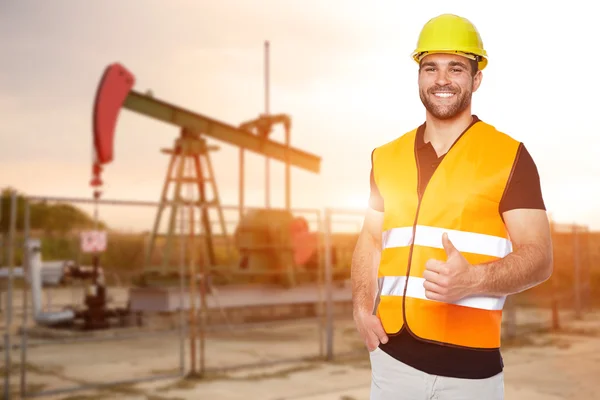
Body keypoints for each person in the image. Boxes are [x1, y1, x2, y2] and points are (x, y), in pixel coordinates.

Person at [351, 13, 554, 400]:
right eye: (431, 68)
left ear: (476, 79)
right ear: (419, 76)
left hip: (471, 374)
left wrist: (474, 280)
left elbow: (540, 257)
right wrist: (362, 308)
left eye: (456, 68)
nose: (442, 79)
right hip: (392, 363)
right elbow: (371, 240)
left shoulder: (509, 157)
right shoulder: (385, 157)